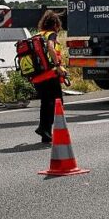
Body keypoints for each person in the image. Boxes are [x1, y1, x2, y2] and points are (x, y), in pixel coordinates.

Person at [30, 10, 67, 143]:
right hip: (49, 74)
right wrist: (58, 65)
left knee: (45, 102)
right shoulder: (51, 34)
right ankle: (45, 128)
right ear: (55, 24)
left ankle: (45, 132)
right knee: (57, 102)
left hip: (37, 76)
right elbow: (51, 48)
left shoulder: (37, 35)